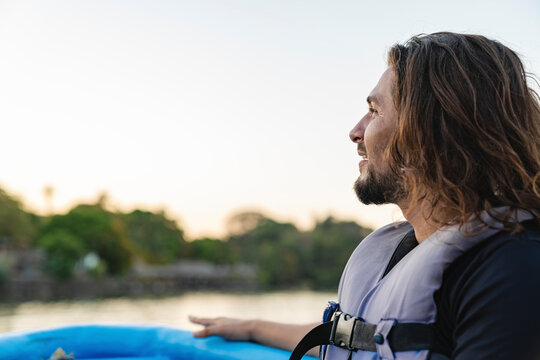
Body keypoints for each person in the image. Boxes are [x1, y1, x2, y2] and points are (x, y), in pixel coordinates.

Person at [190, 32, 540, 359]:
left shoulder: (512, 272)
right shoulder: (411, 247)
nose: (356, 132)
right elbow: (362, 336)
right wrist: (252, 327)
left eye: (375, 111)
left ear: (432, 130)